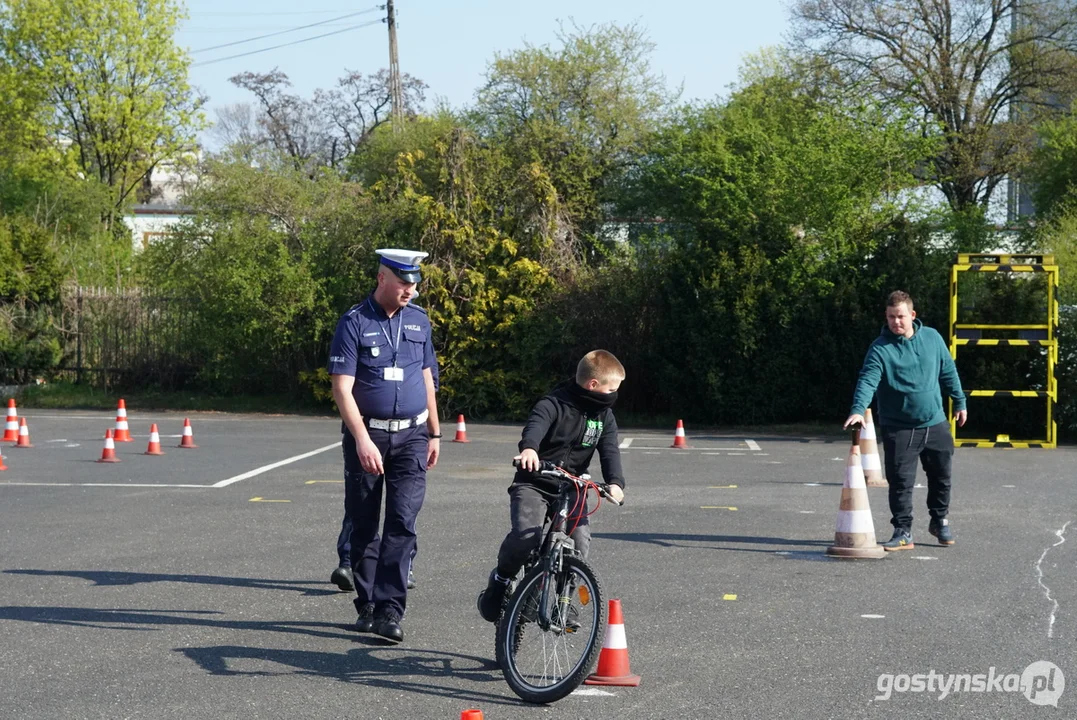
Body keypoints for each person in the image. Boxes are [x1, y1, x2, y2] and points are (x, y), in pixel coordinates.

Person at [327, 248, 441, 643]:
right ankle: (368, 605)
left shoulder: (420, 321)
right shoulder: (354, 322)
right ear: (382, 279)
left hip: (413, 435)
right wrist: (361, 439)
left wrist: (435, 432)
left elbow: (427, 377)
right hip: (369, 435)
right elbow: (342, 388)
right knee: (363, 523)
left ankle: (391, 608)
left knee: (402, 522)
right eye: (404, 282)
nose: (410, 289)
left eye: (414, 283)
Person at [477, 350, 627, 622]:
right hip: (536, 480)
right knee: (526, 536)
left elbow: (609, 451)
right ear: (593, 385)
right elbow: (535, 427)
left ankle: (563, 599)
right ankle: (500, 580)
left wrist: (615, 483)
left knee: (580, 542)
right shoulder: (553, 403)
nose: (615, 394)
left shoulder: (604, 416)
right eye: (612, 389)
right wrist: (529, 450)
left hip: (573, 485)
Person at [844, 290, 967, 551]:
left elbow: (948, 370)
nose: (895, 322)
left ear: (912, 315)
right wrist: (858, 409)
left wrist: (960, 401)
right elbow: (868, 379)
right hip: (899, 426)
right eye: (891, 317)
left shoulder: (932, 338)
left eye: (900, 316)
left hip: (935, 423)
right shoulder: (880, 348)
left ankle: (939, 521)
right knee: (900, 481)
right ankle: (903, 531)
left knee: (941, 477)